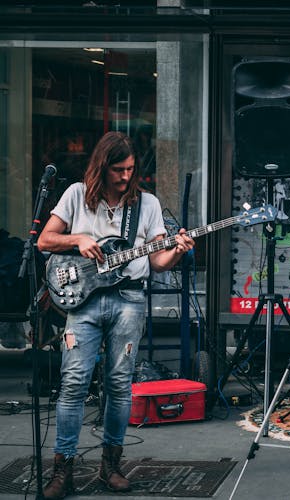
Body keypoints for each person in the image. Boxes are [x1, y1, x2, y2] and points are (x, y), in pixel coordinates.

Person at [37, 131, 195, 498]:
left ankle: (112, 465)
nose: (125, 177)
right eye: (118, 170)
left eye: (130, 170)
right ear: (102, 166)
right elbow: (45, 240)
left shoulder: (147, 204)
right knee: (74, 382)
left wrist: (179, 250)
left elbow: (157, 262)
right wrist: (77, 239)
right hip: (84, 301)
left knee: (120, 384)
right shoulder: (77, 195)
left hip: (129, 300)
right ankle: (64, 469)